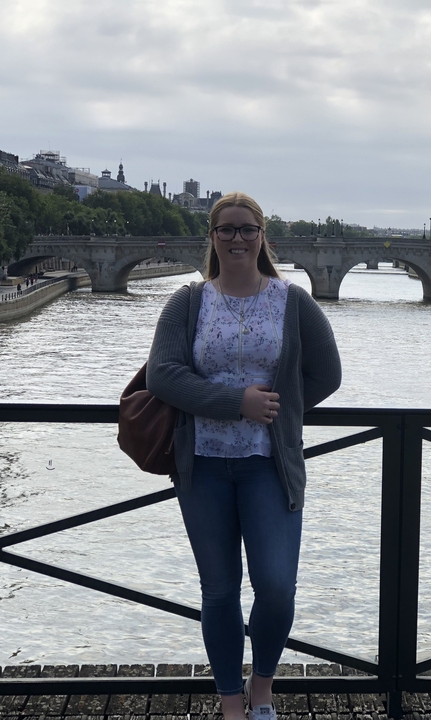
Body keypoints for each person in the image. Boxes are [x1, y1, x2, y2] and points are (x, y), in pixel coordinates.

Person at [146, 192, 341, 720]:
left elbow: (328, 373)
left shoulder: (292, 300)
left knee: (276, 587)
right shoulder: (187, 302)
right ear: (212, 237)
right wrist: (238, 402)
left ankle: (263, 687)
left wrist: (281, 411)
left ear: (262, 236)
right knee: (220, 591)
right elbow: (162, 374)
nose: (237, 238)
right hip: (202, 465)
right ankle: (232, 701)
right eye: (227, 229)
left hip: (268, 466)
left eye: (247, 229)